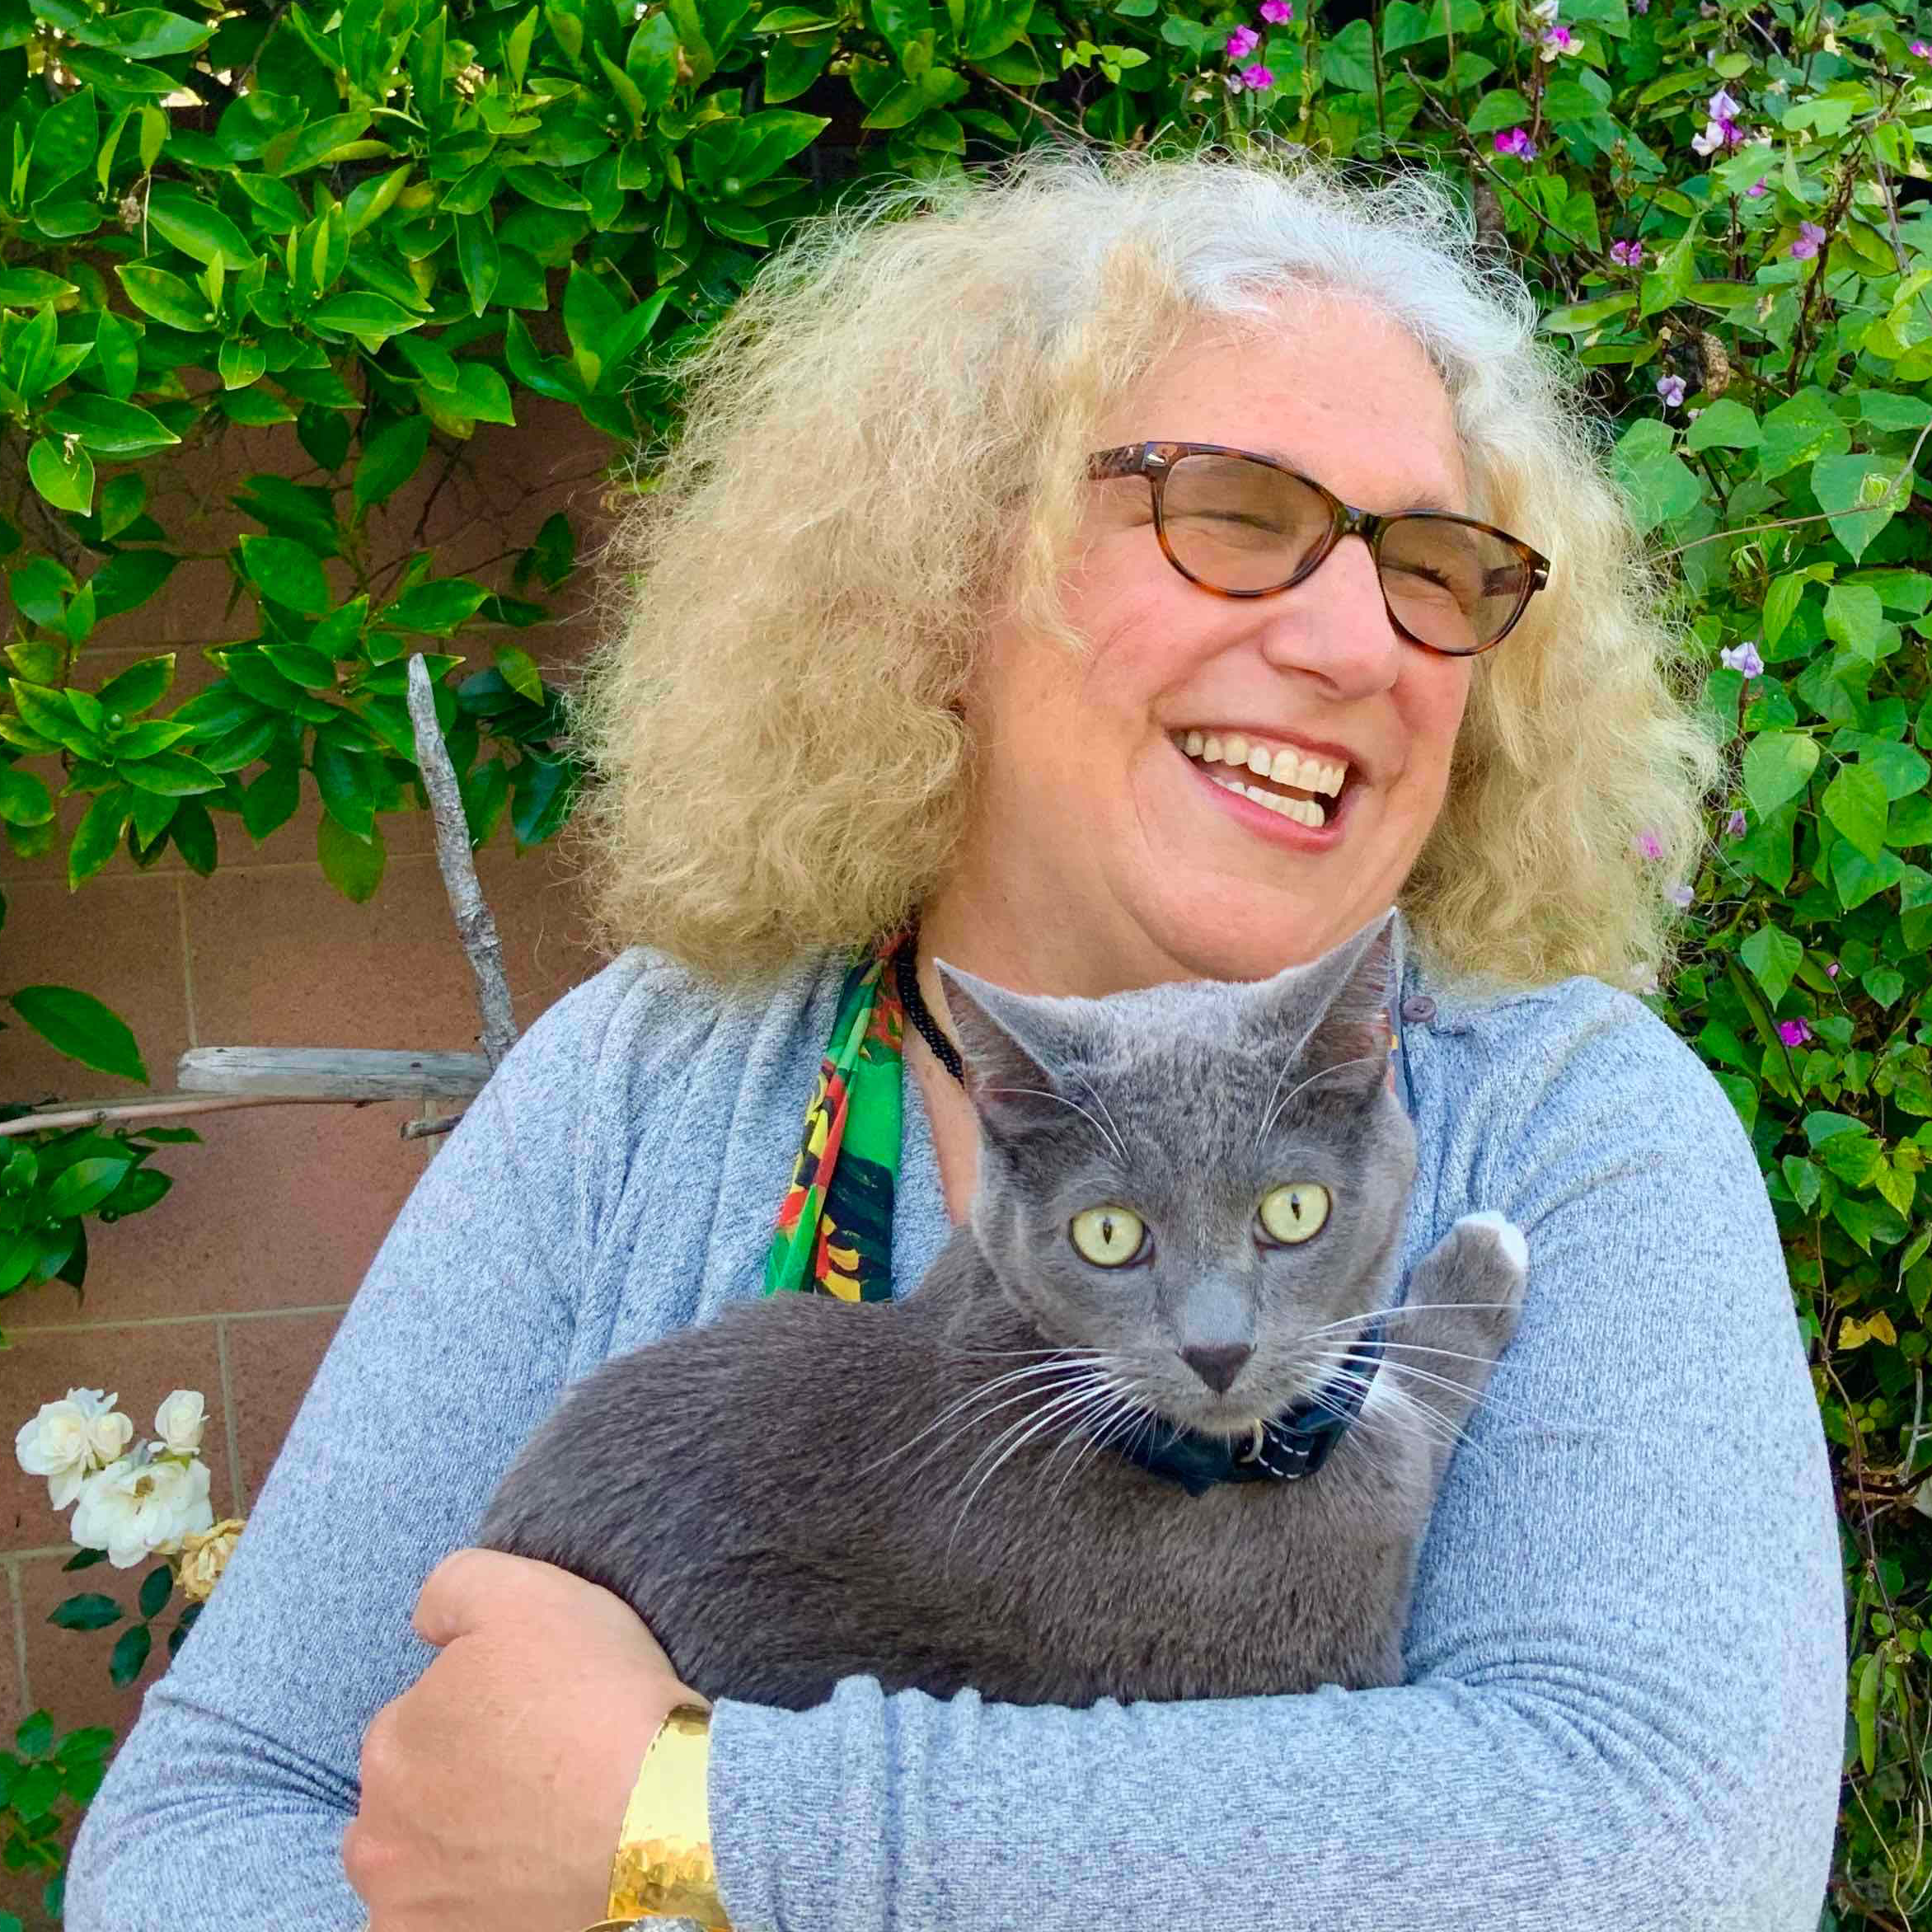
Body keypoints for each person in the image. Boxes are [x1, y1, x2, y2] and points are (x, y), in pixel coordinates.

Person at [63, 148, 1845, 1932]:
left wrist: (689, 1819)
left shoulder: (1560, 1118)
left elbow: (1660, 1847)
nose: (1346, 642)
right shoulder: (646, 1085)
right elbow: (204, 1832)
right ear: (937, 580)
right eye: (1229, 512)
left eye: (1433, 568)